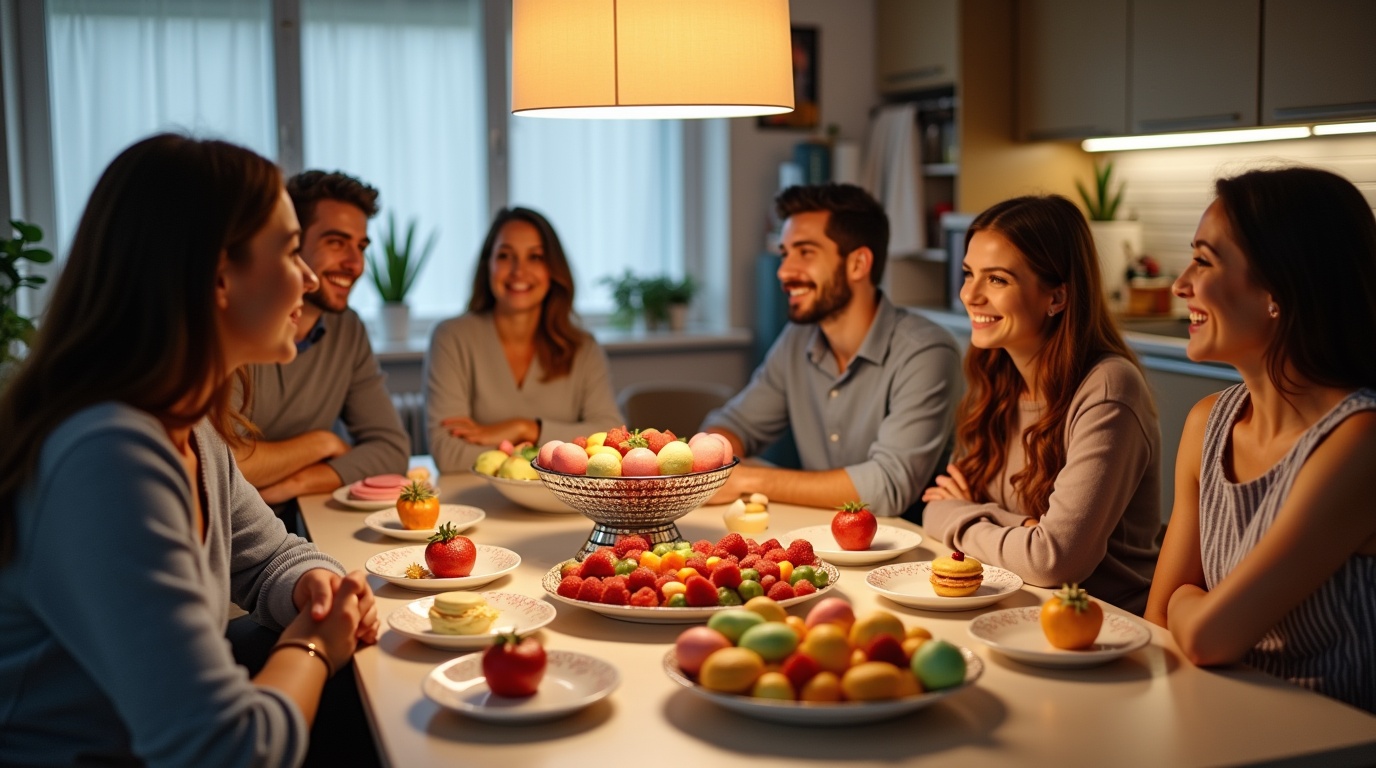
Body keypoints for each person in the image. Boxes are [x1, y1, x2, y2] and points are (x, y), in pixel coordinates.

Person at [0, 134, 380, 766]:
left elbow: (267, 558)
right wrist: (315, 644)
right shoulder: (110, 456)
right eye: (291, 251)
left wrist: (313, 585)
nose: (310, 279)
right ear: (218, 276)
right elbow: (223, 750)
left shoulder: (191, 427)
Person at [1144, 167, 1376, 712]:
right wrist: (1186, 606)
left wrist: (1188, 600)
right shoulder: (1208, 422)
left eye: (1204, 261)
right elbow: (1158, 621)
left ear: (1279, 289)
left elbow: (1206, 637)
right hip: (1222, 713)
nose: (1180, 285)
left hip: (1331, 743)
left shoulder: (1359, 438)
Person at [922, 195, 1161, 615]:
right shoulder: (997, 374)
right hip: (1017, 609)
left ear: (1057, 297)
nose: (970, 294)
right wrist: (1017, 527)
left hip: (1104, 628)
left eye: (997, 280)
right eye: (968, 273)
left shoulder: (1108, 389)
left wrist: (964, 515)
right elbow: (935, 509)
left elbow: (1054, 561)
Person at [703, 183, 961, 519]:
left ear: (858, 264)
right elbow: (733, 424)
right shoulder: (797, 338)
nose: (784, 271)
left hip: (909, 553)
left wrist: (748, 480)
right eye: (784, 253)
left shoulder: (926, 352)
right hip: (821, 540)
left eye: (805, 252)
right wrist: (715, 455)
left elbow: (887, 488)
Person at [234, 170, 409, 526]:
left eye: (360, 247)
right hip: (227, 530)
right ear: (291, 243)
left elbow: (391, 449)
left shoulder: (348, 328)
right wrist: (320, 443)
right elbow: (224, 463)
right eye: (336, 242)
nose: (355, 264)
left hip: (293, 526)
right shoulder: (238, 323)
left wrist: (296, 483)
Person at [426, 207, 623, 472]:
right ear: (489, 266)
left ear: (553, 270)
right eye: (505, 256)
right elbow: (449, 455)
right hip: (479, 506)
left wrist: (526, 428)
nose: (519, 271)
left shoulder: (583, 348)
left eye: (536, 257)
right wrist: (560, 452)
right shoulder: (451, 338)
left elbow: (610, 443)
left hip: (562, 508)